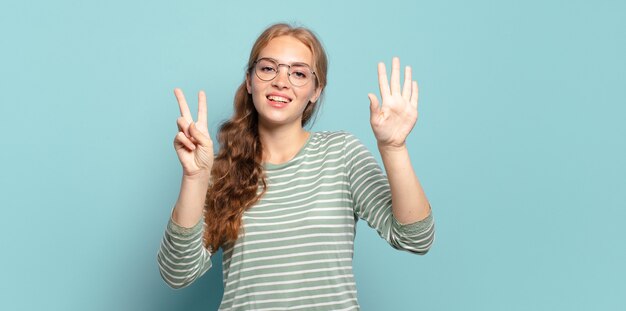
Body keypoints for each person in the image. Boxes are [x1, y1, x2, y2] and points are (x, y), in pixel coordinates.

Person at [157, 23, 434, 310]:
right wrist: (194, 176)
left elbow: (416, 237)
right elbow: (177, 273)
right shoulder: (221, 171)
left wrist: (393, 148)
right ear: (250, 81)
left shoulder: (341, 154)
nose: (281, 81)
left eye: (299, 73)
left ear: (316, 91)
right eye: (268, 68)